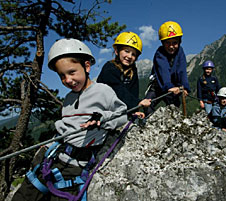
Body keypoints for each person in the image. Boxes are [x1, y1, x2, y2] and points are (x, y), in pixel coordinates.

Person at [12, 38, 128, 201]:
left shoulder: (103, 91)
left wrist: (102, 118)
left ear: (87, 66)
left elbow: (122, 115)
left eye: (72, 72)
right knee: (25, 194)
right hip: (54, 153)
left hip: (76, 164)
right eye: (62, 76)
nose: (67, 80)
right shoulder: (68, 99)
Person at [97, 31, 151, 118]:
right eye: (126, 51)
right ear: (116, 51)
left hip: (119, 109)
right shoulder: (110, 68)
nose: (129, 56)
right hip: (102, 109)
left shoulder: (132, 71)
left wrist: (134, 110)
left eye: (133, 54)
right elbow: (118, 91)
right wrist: (137, 103)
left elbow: (133, 92)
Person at [144, 21, 190, 115]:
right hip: (158, 85)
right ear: (162, 43)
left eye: (175, 43)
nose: (171, 46)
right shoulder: (159, 53)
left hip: (173, 85)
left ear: (179, 42)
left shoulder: (180, 52)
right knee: (147, 104)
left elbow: (182, 71)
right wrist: (169, 86)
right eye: (168, 43)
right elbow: (163, 70)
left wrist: (185, 87)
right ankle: (152, 123)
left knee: (175, 108)